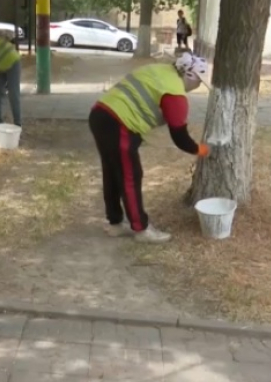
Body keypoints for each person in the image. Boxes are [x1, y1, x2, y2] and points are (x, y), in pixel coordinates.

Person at [88, 52, 211, 243]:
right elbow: (180, 137)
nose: (197, 87)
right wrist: (201, 150)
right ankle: (141, 229)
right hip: (119, 124)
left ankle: (115, 223)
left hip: (100, 115)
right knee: (130, 176)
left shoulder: (160, 70)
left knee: (112, 171)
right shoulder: (175, 93)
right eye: (199, 82)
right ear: (190, 75)